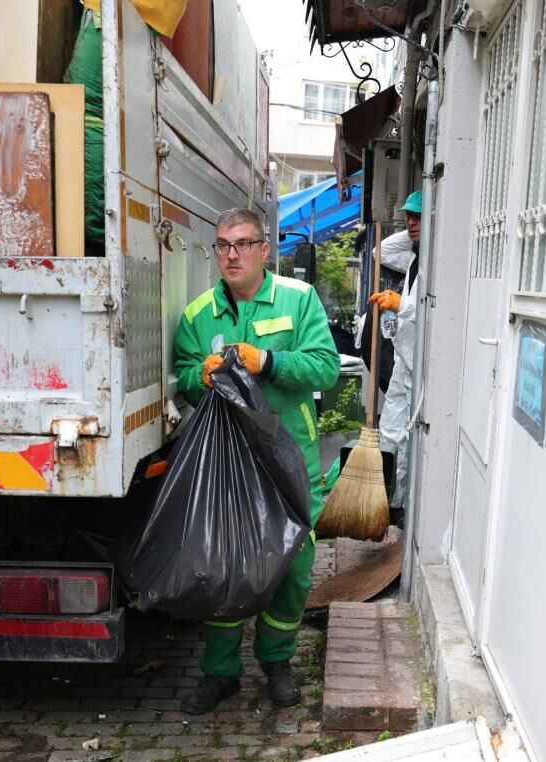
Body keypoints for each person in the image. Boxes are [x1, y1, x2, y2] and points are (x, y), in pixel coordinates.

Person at [173, 207, 340, 714]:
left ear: (265, 250)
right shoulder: (199, 313)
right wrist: (198, 377)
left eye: (243, 244)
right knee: (224, 566)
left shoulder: (298, 298)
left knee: (293, 567)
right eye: (224, 245)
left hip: (290, 461)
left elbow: (325, 368)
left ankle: (276, 662)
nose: (232, 255)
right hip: (229, 464)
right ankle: (220, 672)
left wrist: (267, 361)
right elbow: (182, 375)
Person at [368, 190, 422, 524]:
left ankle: (404, 506)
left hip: (421, 363)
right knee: (390, 429)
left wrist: (401, 303)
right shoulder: (414, 259)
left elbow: (433, 308)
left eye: (418, 217)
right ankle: (389, 502)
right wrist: (416, 233)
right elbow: (380, 251)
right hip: (404, 355)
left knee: (411, 434)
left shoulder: (439, 261)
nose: (411, 223)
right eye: (408, 217)